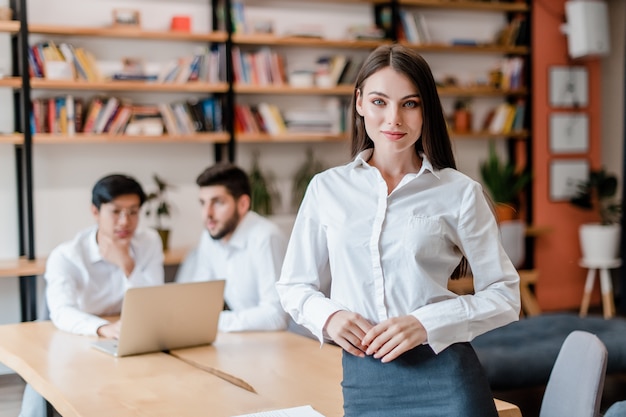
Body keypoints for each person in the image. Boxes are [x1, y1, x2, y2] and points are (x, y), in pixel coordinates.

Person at [276, 44, 521, 417]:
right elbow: (293, 286)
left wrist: (425, 324)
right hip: (364, 378)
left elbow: (505, 296)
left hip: (447, 377)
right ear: (359, 103)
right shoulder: (326, 189)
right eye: (379, 102)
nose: (394, 119)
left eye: (409, 104)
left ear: (426, 111)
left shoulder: (458, 192)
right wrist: (330, 317)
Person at [19, 173, 164, 417]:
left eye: (133, 212)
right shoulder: (66, 256)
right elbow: (62, 311)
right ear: (95, 212)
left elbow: (152, 303)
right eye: (116, 211)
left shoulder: (148, 243)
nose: (125, 221)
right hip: (76, 336)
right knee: (45, 377)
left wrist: (127, 265)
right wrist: (102, 328)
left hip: (125, 338)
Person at [176, 162, 289, 332]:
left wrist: (213, 321)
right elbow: (200, 299)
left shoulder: (265, 237)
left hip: (292, 343)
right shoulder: (210, 236)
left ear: (243, 204)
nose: (207, 214)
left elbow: (275, 316)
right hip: (249, 338)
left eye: (218, 202)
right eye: (203, 203)